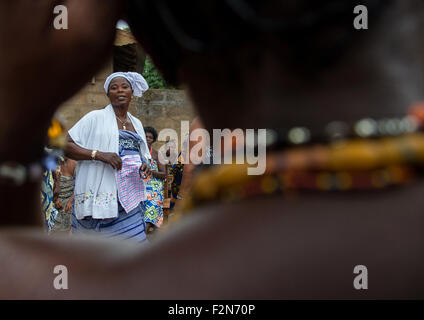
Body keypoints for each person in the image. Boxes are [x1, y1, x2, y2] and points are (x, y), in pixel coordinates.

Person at [3, 0, 424, 299]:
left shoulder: (96, 284)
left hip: (130, 213)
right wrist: (98, 157)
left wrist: (13, 112)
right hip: (97, 213)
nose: (116, 91)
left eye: (121, 85)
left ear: (155, 49)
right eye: (111, 86)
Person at [66, 71, 152, 243]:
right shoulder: (95, 118)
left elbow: (144, 155)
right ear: (108, 94)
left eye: (124, 87)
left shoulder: (137, 123)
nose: (120, 91)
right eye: (114, 88)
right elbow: (64, 145)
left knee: (134, 251)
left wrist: (145, 165)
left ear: (131, 92)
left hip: (129, 203)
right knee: (94, 257)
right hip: (101, 200)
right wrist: (98, 155)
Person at [143, 126, 166, 233]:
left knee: (153, 199)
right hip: (140, 183)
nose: (147, 139)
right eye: (145, 136)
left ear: (153, 140)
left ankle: (146, 227)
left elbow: (164, 174)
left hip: (154, 186)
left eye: (150, 137)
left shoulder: (157, 154)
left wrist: (152, 172)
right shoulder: (137, 152)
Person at [52, 157, 76, 234]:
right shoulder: (52, 162)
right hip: (53, 200)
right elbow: (49, 184)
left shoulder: (74, 163)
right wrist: (55, 200)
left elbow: (78, 185)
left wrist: (70, 201)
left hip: (68, 201)